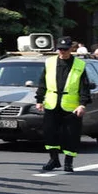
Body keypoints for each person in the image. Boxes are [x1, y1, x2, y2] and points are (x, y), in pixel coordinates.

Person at [36, 37, 92, 172]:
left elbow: (84, 87)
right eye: (60, 49)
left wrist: (82, 104)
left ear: (71, 49)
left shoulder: (79, 65)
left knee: (71, 134)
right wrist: (39, 100)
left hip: (71, 106)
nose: (62, 52)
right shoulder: (49, 63)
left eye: (65, 49)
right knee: (50, 133)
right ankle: (54, 160)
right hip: (51, 103)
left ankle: (68, 162)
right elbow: (42, 83)